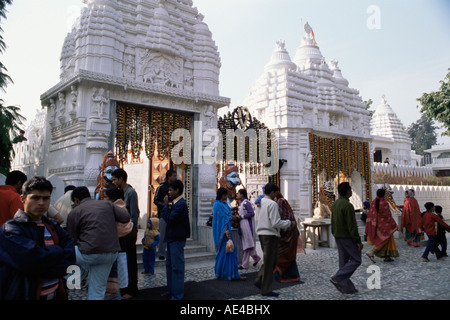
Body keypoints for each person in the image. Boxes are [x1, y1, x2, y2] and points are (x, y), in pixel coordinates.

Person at [0, 176, 75, 300]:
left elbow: (70, 257)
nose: (41, 202)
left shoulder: (53, 226)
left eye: (45, 198)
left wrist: (44, 264)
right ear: (22, 199)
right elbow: (32, 261)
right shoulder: (10, 229)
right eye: (35, 198)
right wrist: (58, 251)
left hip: (55, 294)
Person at [67, 186, 131, 300]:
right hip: (111, 253)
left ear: (76, 200)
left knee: (62, 254)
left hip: (89, 253)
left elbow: (73, 239)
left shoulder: (75, 212)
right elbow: (126, 217)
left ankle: (66, 282)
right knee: (98, 290)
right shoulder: (107, 204)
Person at [254, 182, 291, 297]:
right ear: (272, 192)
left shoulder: (260, 203)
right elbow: (275, 222)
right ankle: (265, 289)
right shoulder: (272, 204)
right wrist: (288, 222)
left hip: (262, 233)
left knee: (268, 261)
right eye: (275, 192)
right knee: (270, 263)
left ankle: (260, 280)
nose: (276, 195)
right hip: (270, 235)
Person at [111, 168, 139, 299]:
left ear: (121, 179)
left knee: (131, 262)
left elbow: (134, 214)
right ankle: (125, 287)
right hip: (121, 235)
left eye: (115, 179)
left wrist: (130, 230)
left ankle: (132, 289)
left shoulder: (131, 193)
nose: (113, 182)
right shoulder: (121, 192)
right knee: (124, 262)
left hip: (129, 233)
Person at [330, 182, 362, 294]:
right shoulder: (348, 206)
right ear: (347, 191)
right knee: (356, 259)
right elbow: (351, 225)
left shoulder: (335, 204)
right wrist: (357, 241)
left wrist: (334, 232)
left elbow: (332, 220)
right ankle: (338, 278)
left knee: (343, 262)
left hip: (338, 235)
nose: (351, 191)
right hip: (346, 237)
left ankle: (347, 287)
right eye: (350, 189)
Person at [161, 180, 190, 300]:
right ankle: (171, 290)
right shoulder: (174, 203)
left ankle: (177, 294)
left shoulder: (180, 204)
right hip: (172, 237)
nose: (169, 192)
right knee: (170, 265)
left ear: (177, 190)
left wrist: (165, 206)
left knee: (177, 267)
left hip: (177, 239)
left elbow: (169, 218)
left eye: (171, 190)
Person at [103, 186, 133, 299]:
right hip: (118, 246)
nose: (103, 199)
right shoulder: (118, 208)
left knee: (116, 278)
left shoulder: (116, 209)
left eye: (105, 197)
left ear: (112, 199)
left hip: (116, 247)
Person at [212, 187, 245, 280]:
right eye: (226, 194)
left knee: (231, 252)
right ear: (222, 195)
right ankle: (223, 273)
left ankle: (231, 273)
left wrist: (232, 215)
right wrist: (231, 218)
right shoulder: (217, 204)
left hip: (227, 230)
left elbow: (228, 213)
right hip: (222, 232)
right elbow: (220, 218)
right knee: (225, 252)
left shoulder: (225, 204)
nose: (227, 196)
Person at [365, 189, 400, 263]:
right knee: (385, 239)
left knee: (388, 239)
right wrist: (394, 225)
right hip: (385, 225)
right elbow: (388, 216)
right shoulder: (384, 202)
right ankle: (371, 252)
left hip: (377, 225)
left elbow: (371, 213)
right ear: (384, 195)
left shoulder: (374, 201)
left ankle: (387, 256)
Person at [273, 191, 301, 283]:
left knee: (283, 257)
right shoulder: (283, 206)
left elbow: (282, 220)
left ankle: (283, 275)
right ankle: (292, 275)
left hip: (288, 235)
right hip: (289, 235)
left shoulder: (281, 203)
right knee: (288, 257)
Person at [153, 169, 177, 260]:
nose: (175, 177)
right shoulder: (162, 187)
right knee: (163, 234)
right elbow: (155, 200)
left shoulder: (176, 187)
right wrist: (166, 205)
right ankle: (161, 253)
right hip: (163, 214)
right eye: (174, 175)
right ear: (169, 177)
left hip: (174, 214)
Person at [236, 188, 261, 269]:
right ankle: (256, 258)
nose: (237, 195)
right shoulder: (241, 203)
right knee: (249, 245)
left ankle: (244, 264)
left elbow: (251, 213)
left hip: (248, 226)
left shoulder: (246, 203)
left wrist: (241, 216)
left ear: (242, 194)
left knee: (247, 245)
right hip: (243, 225)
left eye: (238, 193)